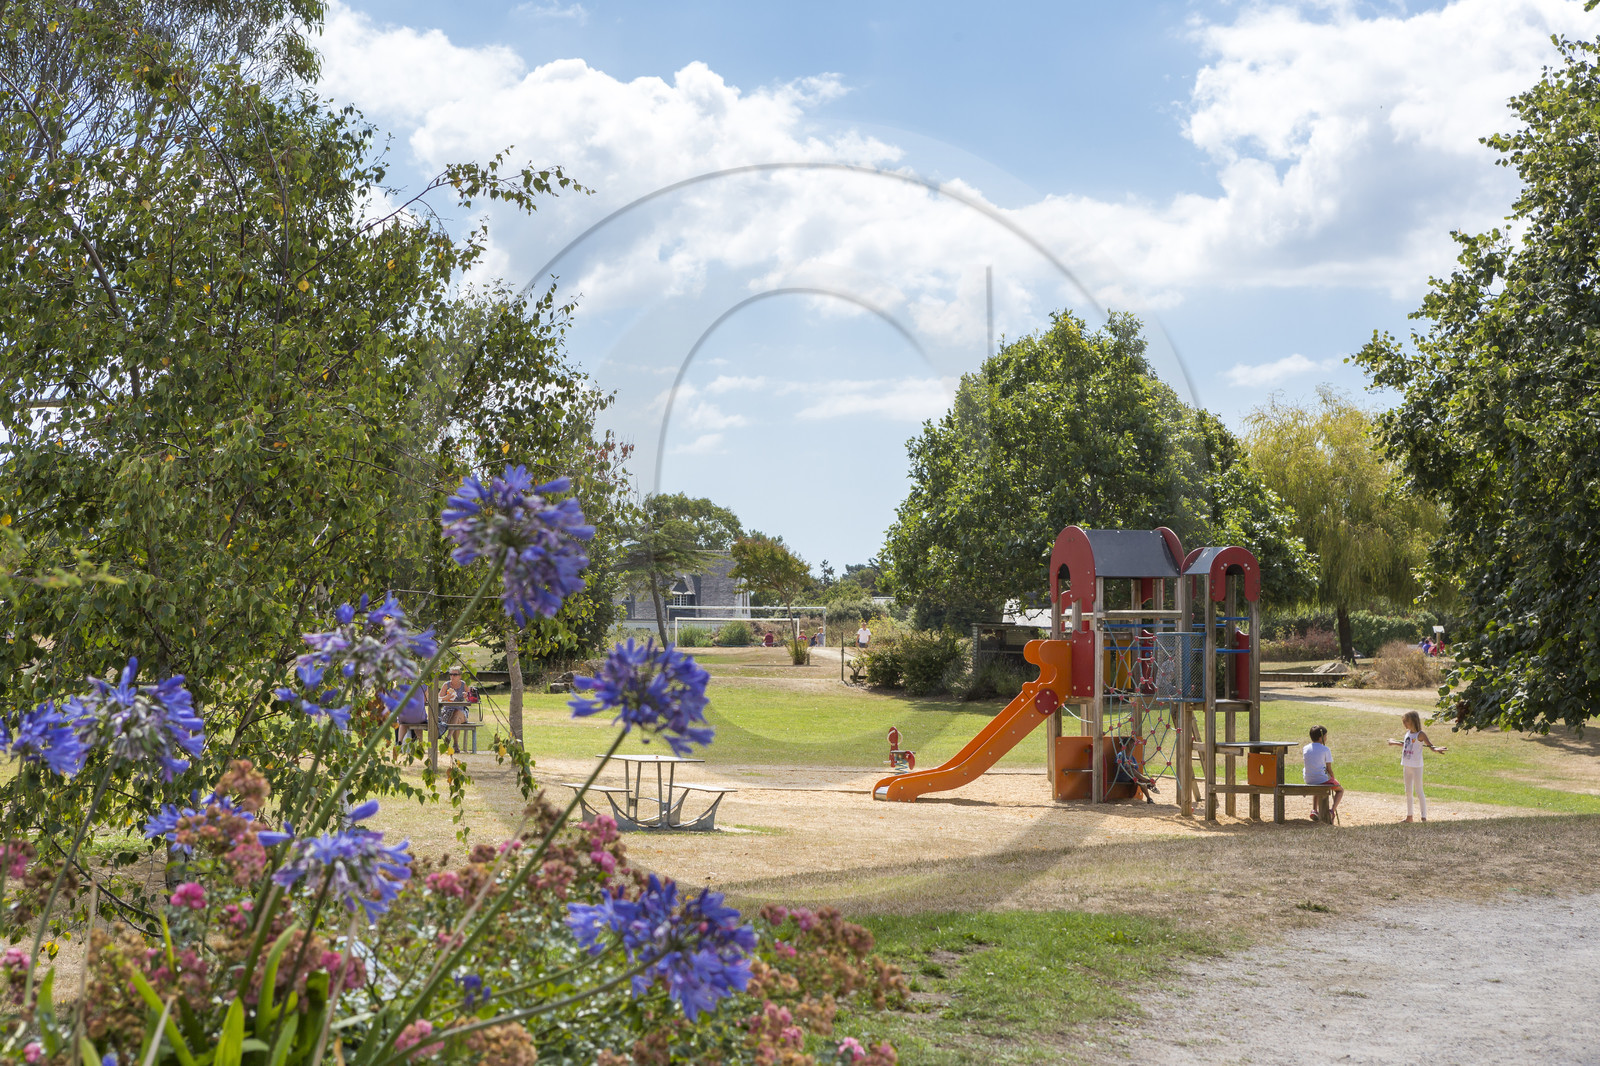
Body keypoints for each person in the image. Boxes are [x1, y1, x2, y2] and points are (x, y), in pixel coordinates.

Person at [1388, 710, 1446, 822]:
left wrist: (1436, 749)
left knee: (1419, 791)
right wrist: (1393, 742)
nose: (1404, 724)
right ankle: (1409, 817)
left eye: (1406, 721)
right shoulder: (1408, 733)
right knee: (1408, 791)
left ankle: (1423, 817)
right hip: (1407, 765)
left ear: (1413, 721)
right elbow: (1406, 744)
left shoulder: (1421, 734)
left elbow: (1431, 747)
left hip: (1416, 767)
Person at [1302, 724, 1344, 821]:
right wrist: (1332, 778)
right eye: (1326, 736)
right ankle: (1332, 811)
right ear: (1321, 738)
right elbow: (1329, 768)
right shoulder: (1325, 749)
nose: (1326, 738)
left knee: (1317, 786)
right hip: (1321, 779)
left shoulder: (1305, 748)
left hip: (1309, 779)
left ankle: (1314, 810)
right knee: (1340, 790)